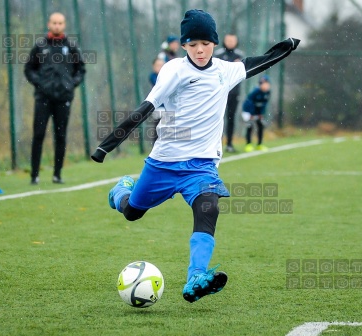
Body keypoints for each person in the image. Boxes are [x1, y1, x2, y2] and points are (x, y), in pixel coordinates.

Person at [91, 9, 299, 303]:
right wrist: (106, 145)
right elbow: (146, 108)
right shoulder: (174, 70)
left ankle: (196, 278)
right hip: (164, 163)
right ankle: (121, 191)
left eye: (205, 43)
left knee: (208, 208)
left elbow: (256, 63)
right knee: (132, 212)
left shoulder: (224, 72)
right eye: (192, 44)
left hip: (201, 167)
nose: (199, 50)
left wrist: (286, 47)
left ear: (214, 43)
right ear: (184, 46)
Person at [24, 12, 86, 185]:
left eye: (60, 23)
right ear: (48, 24)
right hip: (43, 98)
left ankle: (57, 174)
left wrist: (71, 84)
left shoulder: (71, 46)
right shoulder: (40, 45)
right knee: (38, 135)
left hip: (63, 99)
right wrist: (40, 83)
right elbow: (29, 69)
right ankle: (34, 175)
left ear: (64, 25)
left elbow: (80, 69)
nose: (57, 26)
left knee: (60, 136)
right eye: (54, 23)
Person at [214, 33, 244, 153]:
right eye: (228, 40)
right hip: (219, 92)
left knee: (230, 118)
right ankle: (216, 144)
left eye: (233, 40)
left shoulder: (239, 56)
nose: (230, 42)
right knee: (217, 118)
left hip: (233, 93)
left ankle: (229, 143)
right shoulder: (218, 55)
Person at [243, 75, 271, 153]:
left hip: (257, 112)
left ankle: (259, 144)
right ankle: (248, 145)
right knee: (250, 126)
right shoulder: (256, 91)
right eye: (262, 83)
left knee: (260, 126)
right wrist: (251, 114)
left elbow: (264, 104)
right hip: (248, 111)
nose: (265, 85)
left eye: (266, 83)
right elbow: (249, 102)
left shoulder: (267, 92)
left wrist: (261, 113)